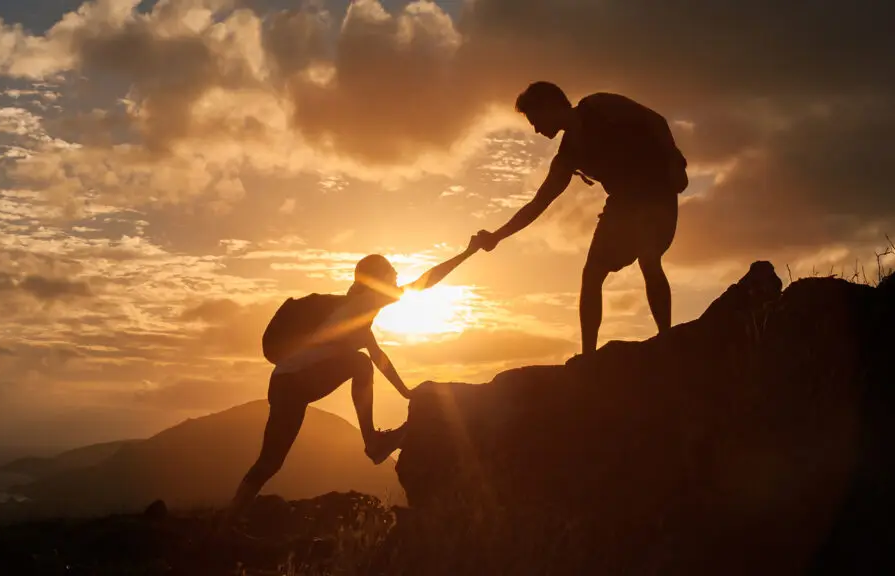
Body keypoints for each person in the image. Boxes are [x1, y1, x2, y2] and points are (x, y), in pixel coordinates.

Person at [230, 235, 484, 515]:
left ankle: (225, 525)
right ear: (377, 279)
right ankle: (372, 443)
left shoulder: (353, 313)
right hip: (295, 382)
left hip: (283, 383)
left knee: (270, 462)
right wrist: (467, 252)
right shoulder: (365, 301)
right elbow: (425, 281)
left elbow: (379, 358)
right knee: (359, 365)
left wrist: (406, 392)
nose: (397, 276)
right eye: (392, 272)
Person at [475, 81, 689, 353]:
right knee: (591, 274)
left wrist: (673, 160)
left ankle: (666, 340)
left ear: (550, 106)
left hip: (656, 191)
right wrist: (496, 236)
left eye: (535, 119)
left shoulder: (600, 105)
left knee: (648, 256)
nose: (536, 129)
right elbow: (539, 203)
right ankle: (589, 356)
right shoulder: (567, 157)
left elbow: (655, 120)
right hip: (622, 205)